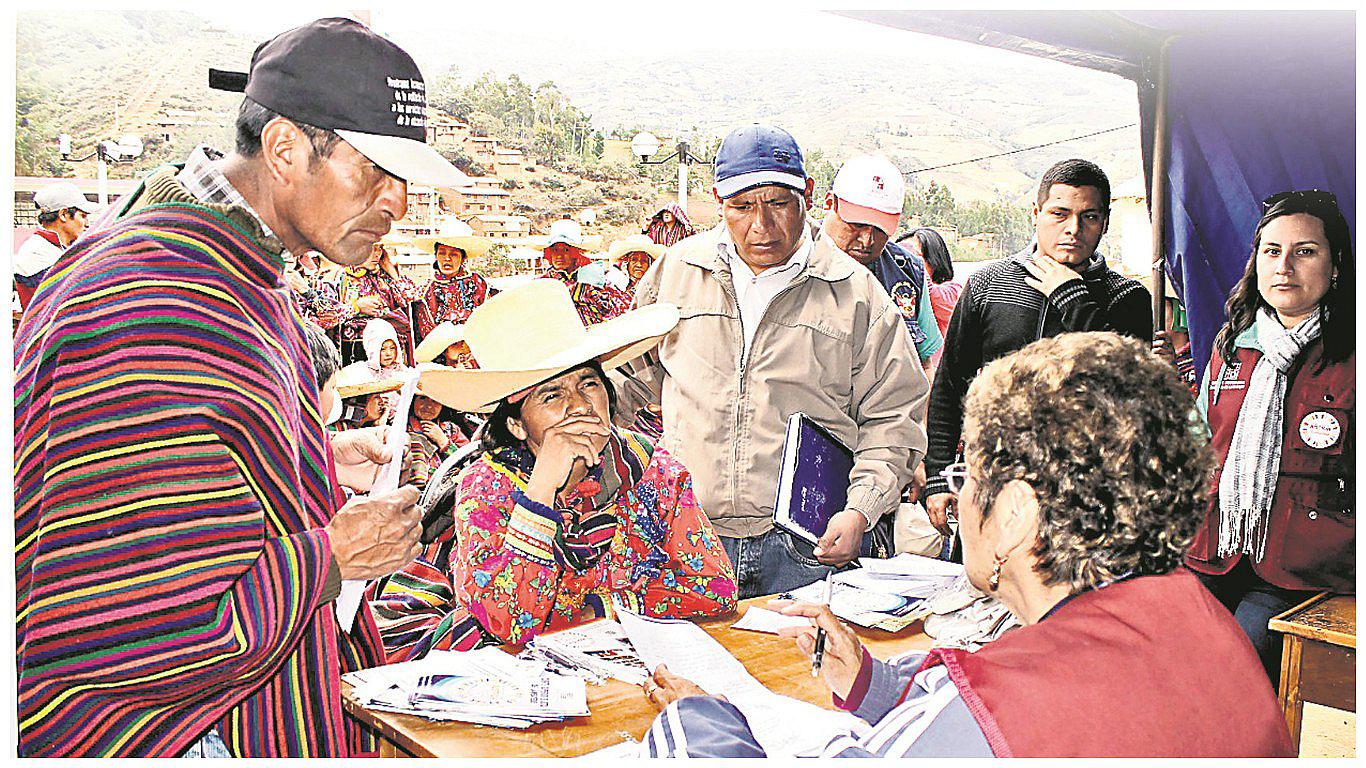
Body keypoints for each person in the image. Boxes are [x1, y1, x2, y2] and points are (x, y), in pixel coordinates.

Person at [12, 18, 468, 756]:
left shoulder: (223, 267)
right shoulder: (150, 300)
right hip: (168, 736)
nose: (397, 203)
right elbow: (122, 617)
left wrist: (306, 452)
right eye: (375, 172)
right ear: (285, 149)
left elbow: (175, 460)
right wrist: (332, 556)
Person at [638, 333, 1294, 758]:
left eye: (968, 476)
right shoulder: (1203, 620)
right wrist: (867, 682)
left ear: (1011, 516)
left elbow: (981, 728)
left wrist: (697, 721)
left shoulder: (1001, 710)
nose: (959, 501)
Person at [616, 125, 928, 599]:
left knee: (801, 671)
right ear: (718, 200)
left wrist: (861, 508)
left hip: (807, 546)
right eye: (742, 207)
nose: (760, 226)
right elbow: (625, 378)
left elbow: (895, 417)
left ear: (806, 194)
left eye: (778, 204)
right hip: (687, 532)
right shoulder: (678, 273)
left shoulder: (856, 292)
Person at [372, 279, 736, 660]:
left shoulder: (653, 472)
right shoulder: (487, 487)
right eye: (552, 395)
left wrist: (599, 611)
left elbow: (715, 587)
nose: (579, 406)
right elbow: (509, 623)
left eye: (589, 385)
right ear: (517, 425)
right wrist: (542, 490)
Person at [923, 159, 1152, 539]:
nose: (1073, 229)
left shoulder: (1127, 299)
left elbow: (1128, 394)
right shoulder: (990, 286)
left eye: (1089, 217)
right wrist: (938, 475)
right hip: (994, 486)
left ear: (1105, 222)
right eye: (1059, 214)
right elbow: (950, 384)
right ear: (1036, 213)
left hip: (1083, 500)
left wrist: (1073, 300)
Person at [1185, 189, 1355, 678]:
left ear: (1336, 265)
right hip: (1212, 551)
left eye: (1305, 252)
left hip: (1301, 570)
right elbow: (1197, 446)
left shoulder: (1352, 356)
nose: (1285, 267)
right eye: (1272, 251)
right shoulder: (1234, 344)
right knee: (1160, 647)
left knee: (1232, 665)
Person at [819, 155, 943, 373]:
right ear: (830, 203)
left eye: (880, 228)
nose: (867, 240)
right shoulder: (791, 262)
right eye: (857, 224)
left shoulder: (908, 273)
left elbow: (924, 364)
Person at [14, 181, 100, 310]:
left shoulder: (56, 249)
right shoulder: (38, 253)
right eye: (83, 216)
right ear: (63, 215)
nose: (87, 224)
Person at [336, 238, 421, 364]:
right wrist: (356, 306)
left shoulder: (383, 278)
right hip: (355, 353)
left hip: (389, 352)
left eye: (380, 249)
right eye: (372, 248)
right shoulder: (340, 277)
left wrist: (390, 269)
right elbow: (328, 315)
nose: (377, 254)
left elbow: (411, 298)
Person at [538, 218, 632, 324]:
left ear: (575, 253)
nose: (559, 256)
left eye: (566, 250)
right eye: (555, 250)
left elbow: (617, 303)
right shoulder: (542, 283)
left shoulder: (595, 276)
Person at [413, 218, 492, 336]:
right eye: (442, 253)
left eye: (454, 254)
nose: (447, 259)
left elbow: (488, 317)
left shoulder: (478, 283)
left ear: (463, 258)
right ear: (436, 256)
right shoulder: (427, 289)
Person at [901, 227, 962, 340]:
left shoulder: (953, 292)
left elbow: (930, 295)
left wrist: (909, 257)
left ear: (934, 260)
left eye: (914, 256)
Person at [288, 248, 349, 332]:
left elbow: (333, 316)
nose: (287, 256)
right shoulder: (265, 284)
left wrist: (306, 291)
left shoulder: (313, 283)